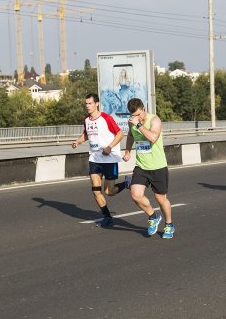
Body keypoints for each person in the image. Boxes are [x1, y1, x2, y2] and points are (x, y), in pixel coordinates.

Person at [71, 93, 126, 228]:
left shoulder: (106, 118)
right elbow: (86, 133)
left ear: (96, 104)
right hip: (94, 158)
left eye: (90, 103)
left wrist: (109, 147)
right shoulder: (87, 120)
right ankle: (107, 217)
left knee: (109, 192)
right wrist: (78, 141)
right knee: (96, 190)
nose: (87, 106)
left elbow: (120, 134)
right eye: (86, 104)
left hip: (109, 159)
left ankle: (126, 183)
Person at [122, 98, 174, 238]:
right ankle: (153, 216)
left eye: (139, 114)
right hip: (141, 165)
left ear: (144, 108)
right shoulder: (132, 121)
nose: (136, 117)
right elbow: (130, 135)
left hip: (158, 166)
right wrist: (127, 150)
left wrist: (139, 125)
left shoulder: (154, 120)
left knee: (161, 199)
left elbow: (152, 138)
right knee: (135, 195)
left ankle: (169, 224)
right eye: (133, 115)